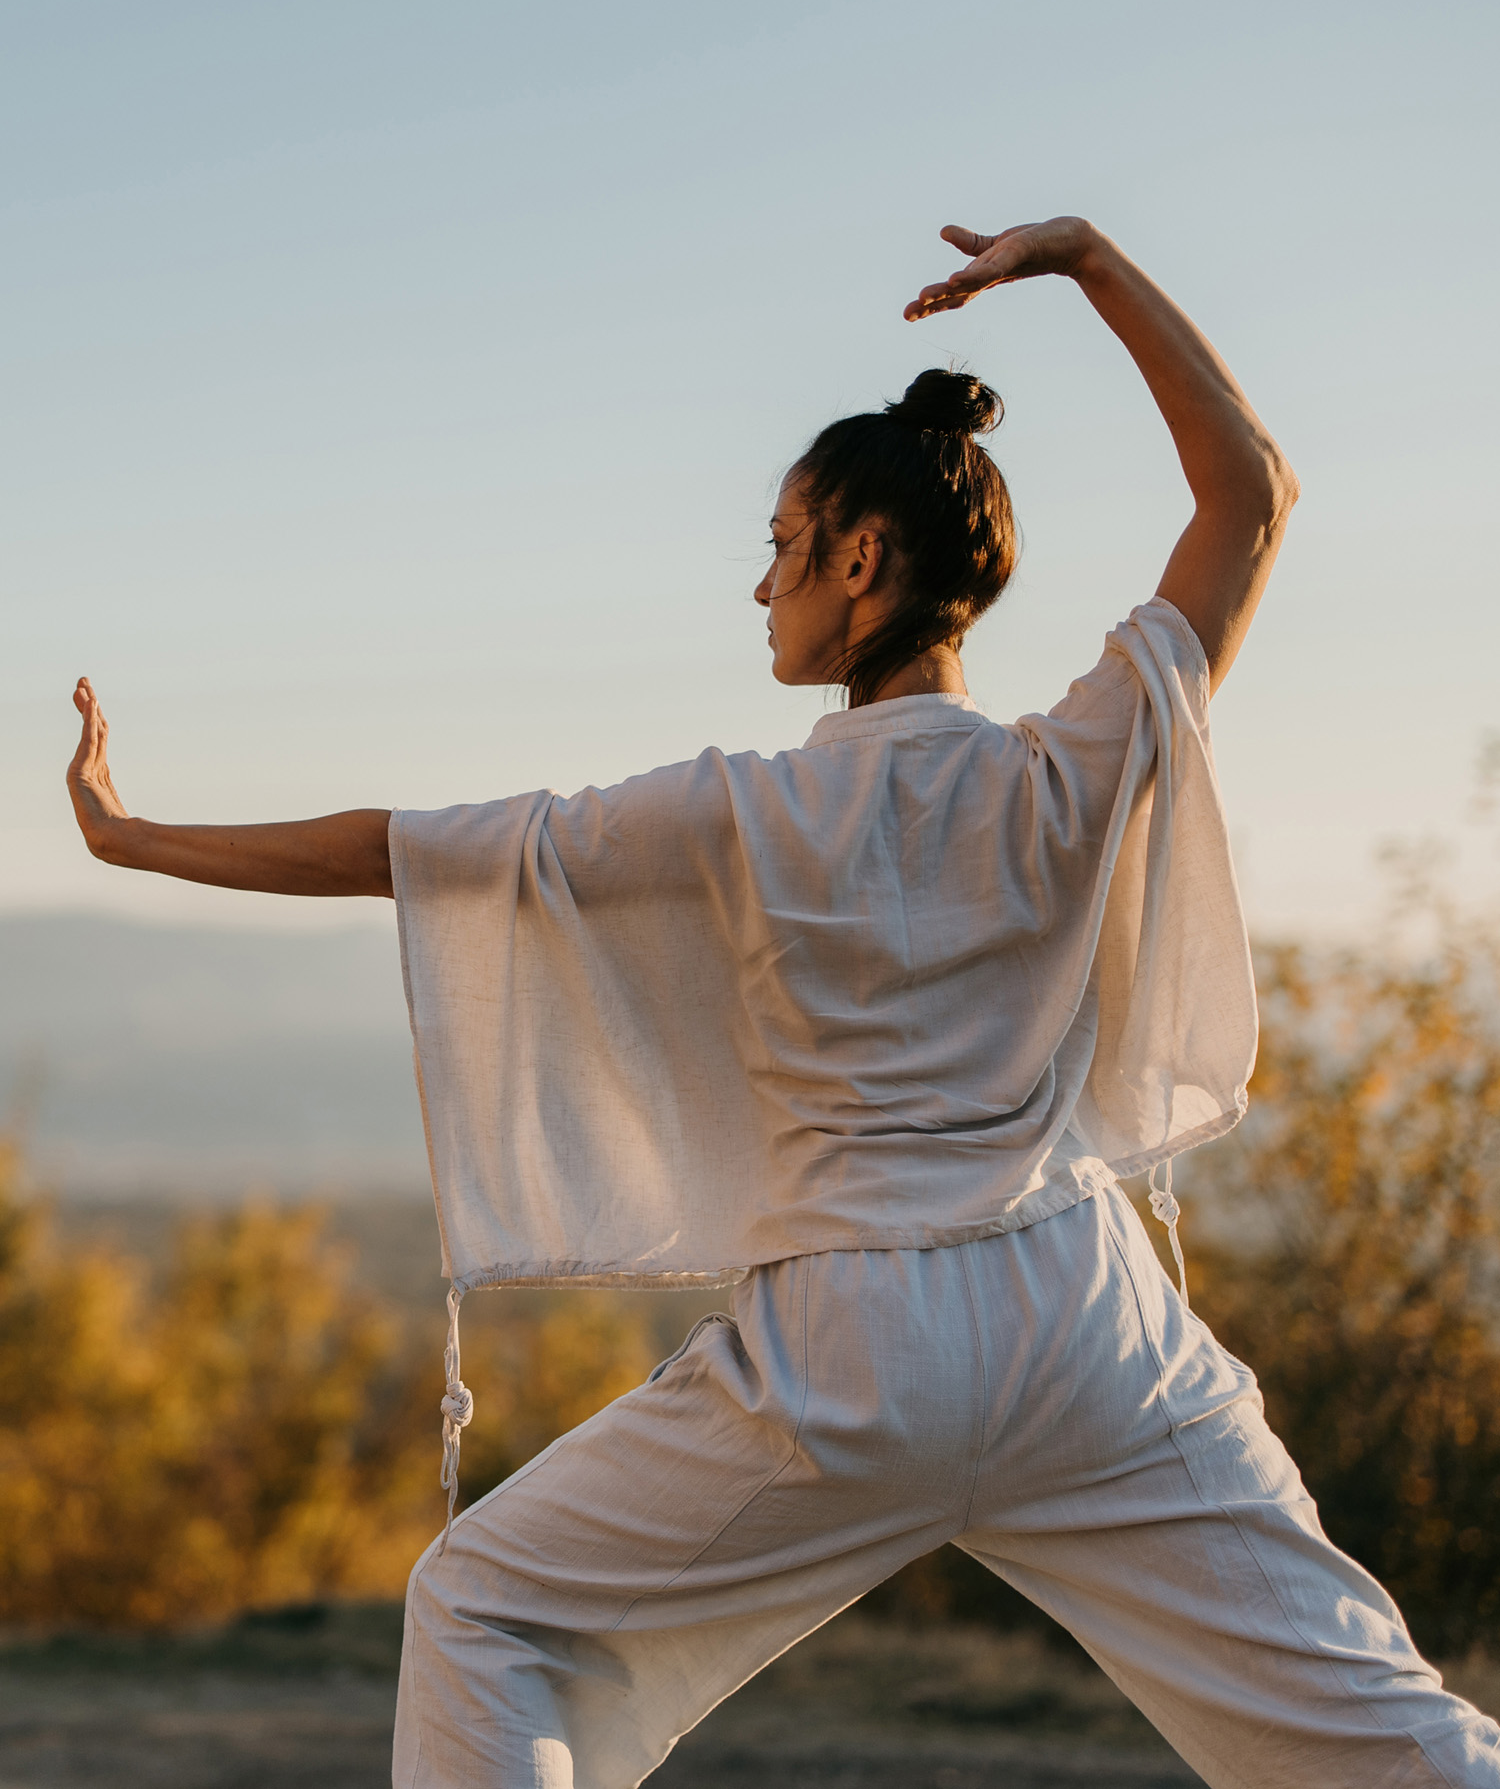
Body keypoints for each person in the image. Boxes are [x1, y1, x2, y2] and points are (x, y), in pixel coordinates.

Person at [66, 217, 1500, 1789]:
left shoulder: (732, 814)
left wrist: (136, 838)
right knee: (1386, 1739)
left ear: (859, 560)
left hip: (850, 1355)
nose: (761, 585)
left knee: (484, 1610)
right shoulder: (1072, 766)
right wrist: (1088, 260)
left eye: (782, 544)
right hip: (1087, 1331)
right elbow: (1253, 491)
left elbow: (405, 852)